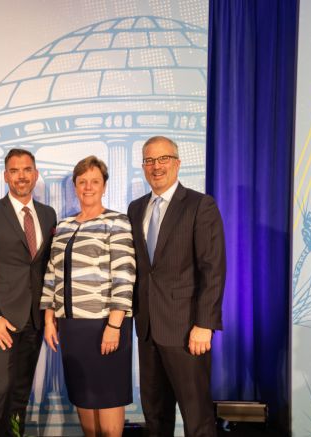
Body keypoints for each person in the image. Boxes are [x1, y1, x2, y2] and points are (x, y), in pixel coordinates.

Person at [127, 136, 226, 437]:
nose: (156, 167)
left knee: (197, 419)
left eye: (163, 159)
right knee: (155, 418)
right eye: (149, 160)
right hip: (147, 330)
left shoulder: (200, 205)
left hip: (186, 330)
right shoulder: (136, 208)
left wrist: (204, 324)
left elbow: (213, 269)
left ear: (177, 163)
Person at [41, 156, 136, 437]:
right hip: (72, 326)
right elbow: (51, 274)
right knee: (83, 397)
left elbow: (124, 275)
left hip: (105, 324)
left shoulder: (116, 222)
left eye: (94, 181)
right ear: (74, 186)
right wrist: (49, 318)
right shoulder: (64, 226)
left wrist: (115, 325)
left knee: (108, 397)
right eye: (82, 182)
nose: (88, 187)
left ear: (104, 185)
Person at [0, 148, 57, 437]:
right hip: (2, 321)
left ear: (36, 173)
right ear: (6, 175)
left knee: (20, 392)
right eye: (15, 170)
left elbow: (46, 268)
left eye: (27, 169)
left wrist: (48, 317)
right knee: (2, 388)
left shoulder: (47, 214)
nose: (22, 176)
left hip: (35, 319)